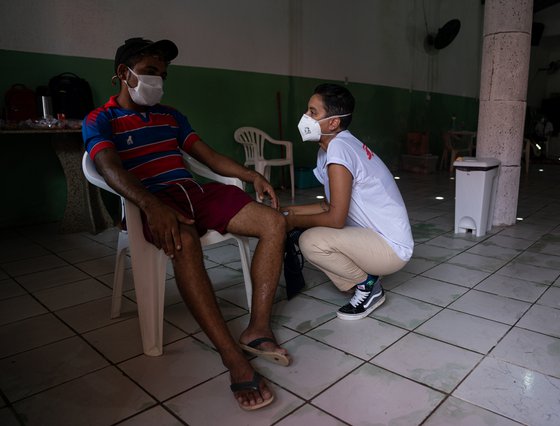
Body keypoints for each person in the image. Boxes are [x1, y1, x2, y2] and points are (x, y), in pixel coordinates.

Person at [82, 37, 290, 411]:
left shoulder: (171, 116)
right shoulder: (102, 119)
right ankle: (233, 358)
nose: (157, 81)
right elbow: (107, 166)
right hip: (150, 201)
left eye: (162, 75)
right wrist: (150, 203)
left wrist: (249, 174)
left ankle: (258, 329)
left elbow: (207, 156)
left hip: (196, 192)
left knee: (274, 222)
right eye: (149, 72)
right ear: (122, 74)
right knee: (186, 243)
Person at [282, 84, 414, 320]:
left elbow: (335, 217)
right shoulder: (331, 147)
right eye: (307, 110)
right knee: (308, 226)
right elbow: (327, 204)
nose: (305, 117)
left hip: (391, 248)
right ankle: (365, 275)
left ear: (333, 123)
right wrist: (286, 211)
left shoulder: (339, 149)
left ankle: (368, 286)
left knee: (311, 240)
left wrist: (293, 221)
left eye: (313, 112)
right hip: (377, 236)